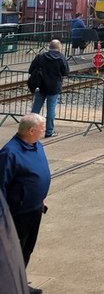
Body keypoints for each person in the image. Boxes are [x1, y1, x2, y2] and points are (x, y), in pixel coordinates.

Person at [0, 113, 51, 294]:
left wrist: (41, 194)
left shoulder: (36, 145)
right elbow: (1, 185)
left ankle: (19, 284)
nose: (44, 131)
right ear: (31, 130)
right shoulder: (9, 153)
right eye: (42, 128)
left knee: (26, 250)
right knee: (13, 254)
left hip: (35, 209)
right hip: (17, 213)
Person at [27, 39, 69, 138]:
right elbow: (65, 72)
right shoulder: (61, 58)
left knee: (35, 109)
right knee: (51, 110)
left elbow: (30, 70)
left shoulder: (40, 56)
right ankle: (49, 131)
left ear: (49, 47)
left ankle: (29, 129)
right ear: (59, 47)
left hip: (40, 86)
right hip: (54, 87)